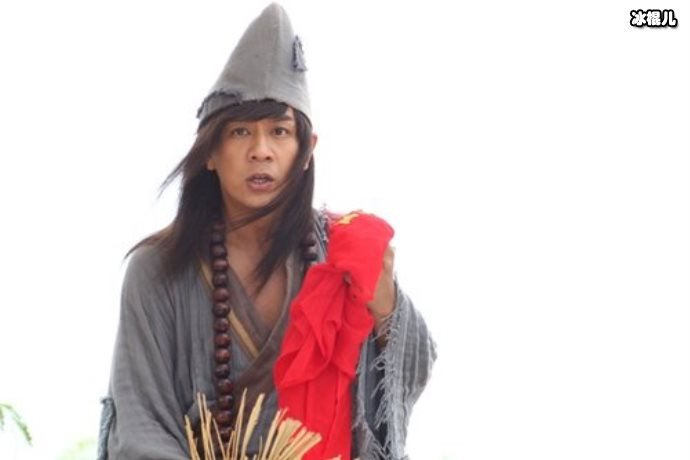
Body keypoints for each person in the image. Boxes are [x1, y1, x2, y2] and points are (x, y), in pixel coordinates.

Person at [97, 3, 436, 459]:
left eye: (279, 132)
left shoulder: (342, 253)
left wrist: (385, 310)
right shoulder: (156, 269)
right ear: (210, 152)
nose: (261, 151)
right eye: (240, 132)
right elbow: (141, 426)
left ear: (307, 149)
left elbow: (410, 369)